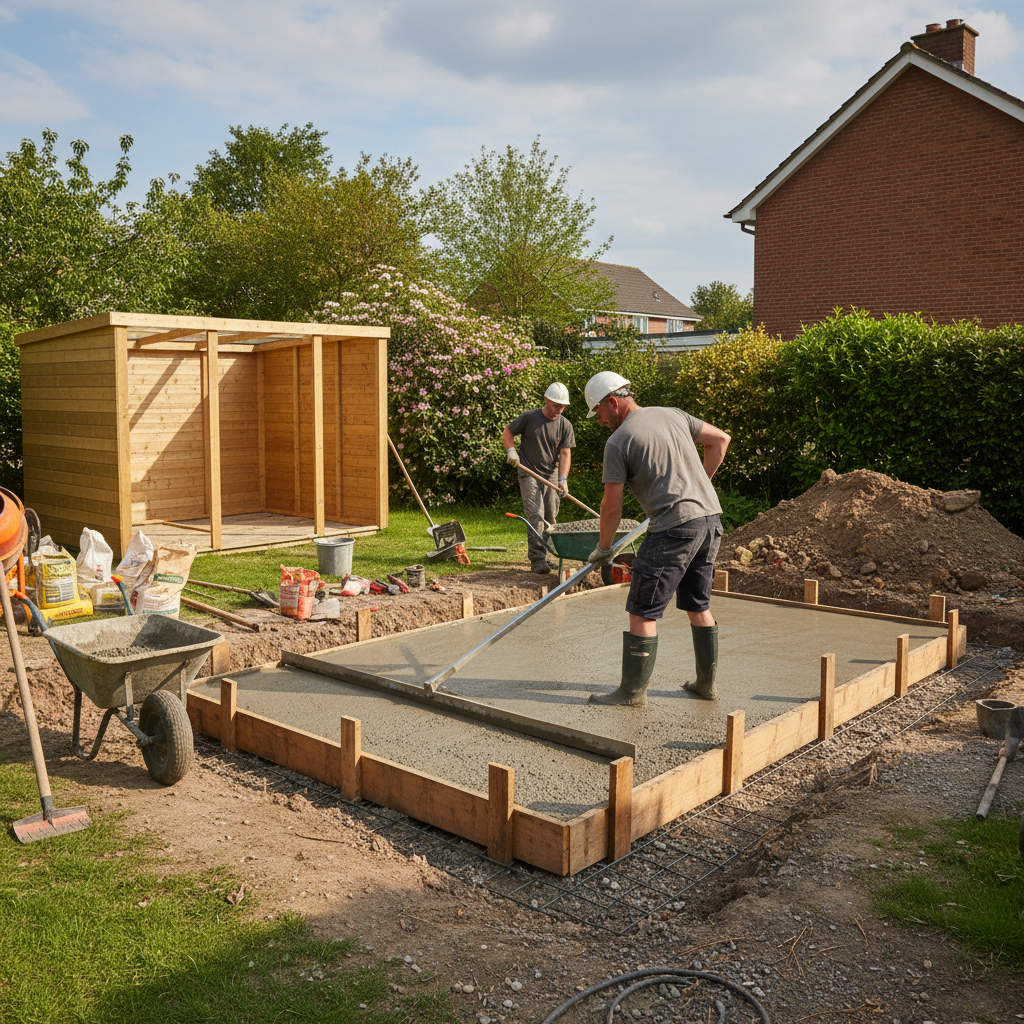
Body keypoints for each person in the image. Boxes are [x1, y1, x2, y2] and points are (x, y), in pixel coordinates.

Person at [583, 371, 731, 706]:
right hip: (709, 520)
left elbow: (611, 507)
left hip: (673, 530)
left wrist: (603, 549)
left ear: (612, 401)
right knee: (698, 605)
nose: (600, 420)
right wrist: (698, 487)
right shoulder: (673, 414)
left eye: (599, 412)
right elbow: (720, 440)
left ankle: (631, 693)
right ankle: (706, 686)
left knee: (642, 611)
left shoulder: (619, 441)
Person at [503, 382, 575, 574]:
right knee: (536, 515)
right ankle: (537, 560)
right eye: (555, 406)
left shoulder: (565, 425)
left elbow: (565, 454)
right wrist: (511, 451)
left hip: (550, 473)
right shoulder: (529, 417)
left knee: (550, 515)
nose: (559, 410)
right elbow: (508, 432)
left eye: (562, 407)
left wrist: (562, 480)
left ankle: (547, 553)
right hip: (528, 471)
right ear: (546, 400)